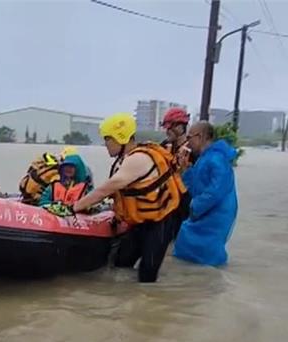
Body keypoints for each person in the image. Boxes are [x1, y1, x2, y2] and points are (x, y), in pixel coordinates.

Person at [72, 113, 184, 283]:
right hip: (139, 223)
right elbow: (112, 193)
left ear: (120, 138)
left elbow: (105, 189)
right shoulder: (122, 160)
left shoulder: (138, 159)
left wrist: (74, 207)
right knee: (120, 264)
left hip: (161, 222)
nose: (106, 144)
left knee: (147, 275)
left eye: (108, 139)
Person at [173, 122, 239, 266]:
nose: (188, 142)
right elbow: (196, 185)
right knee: (187, 246)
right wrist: (185, 171)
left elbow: (215, 190)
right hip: (203, 211)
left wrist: (195, 206)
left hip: (216, 213)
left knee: (209, 251)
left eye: (190, 137)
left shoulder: (217, 159)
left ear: (201, 136)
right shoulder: (205, 158)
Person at [160, 107, 192, 237]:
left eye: (169, 127)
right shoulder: (163, 146)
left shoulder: (192, 148)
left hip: (184, 201)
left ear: (180, 127)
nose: (167, 131)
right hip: (165, 201)